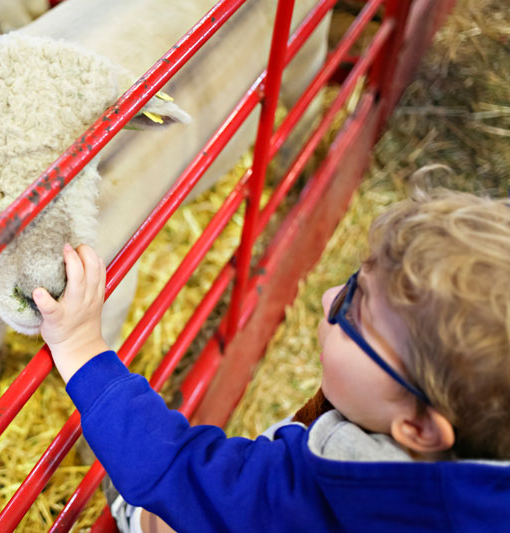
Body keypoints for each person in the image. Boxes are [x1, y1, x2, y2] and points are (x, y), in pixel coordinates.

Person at [31, 188, 510, 533]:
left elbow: (181, 469)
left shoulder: (323, 499)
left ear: (420, 429)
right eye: (350, 281)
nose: (326, 299)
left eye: (352, 309)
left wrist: (81, 347)